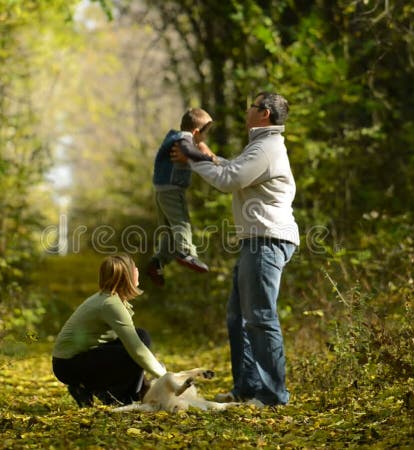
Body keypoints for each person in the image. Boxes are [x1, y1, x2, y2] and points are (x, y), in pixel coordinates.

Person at [172, 92, 299, 406]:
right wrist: (210, 158)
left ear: (265, 113)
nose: (247, 110)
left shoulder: (268, 147)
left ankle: (272, 396)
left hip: (267, 240)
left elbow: (229, 181)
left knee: (259, 317)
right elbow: (236, 171)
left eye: (252, 106)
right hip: (256, 241)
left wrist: (195, 161)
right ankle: (247, 388)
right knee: (238, 318)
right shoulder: (260, 145)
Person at [52, 254, 167, 407]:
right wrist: (166, 376)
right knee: (133, 352)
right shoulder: (110, 304)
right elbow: (137, 351)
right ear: (127, 275)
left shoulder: (111, 299)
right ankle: (110, 395)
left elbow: (134, 342)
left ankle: (124, 395)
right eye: (134, 268)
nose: (138, 270)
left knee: (141, 335)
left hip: (79, 359)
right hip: (68, 365)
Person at [146, 108, 215, 287]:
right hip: (172, 190)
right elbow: (187, 151)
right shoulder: (185, 138)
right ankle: (186, 253)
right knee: (181, 222)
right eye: (204, 135)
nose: (204, 140)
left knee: (169, 231)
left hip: (162, 190)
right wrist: (208, 159)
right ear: (196, 132)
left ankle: (157, 262)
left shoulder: (177, 136)